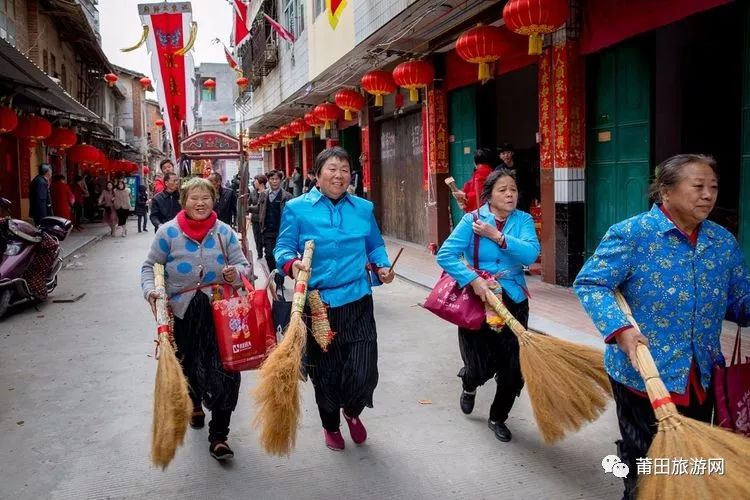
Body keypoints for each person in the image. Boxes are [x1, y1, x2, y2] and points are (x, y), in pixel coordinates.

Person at [573, 154, 750, 499]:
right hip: (644, 374)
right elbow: (591, 283)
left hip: (702, 375)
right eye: (697, 186)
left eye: (712, 187)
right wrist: (620, 330)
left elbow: (740, 302)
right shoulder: (632, 234)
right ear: (665, 192)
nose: (708, 195)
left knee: (686, 463)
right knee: (648, 472)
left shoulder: (722, 241)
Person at [275, 146, 394, 451]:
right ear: (316, 174)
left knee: (364, 370)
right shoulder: (297, 208)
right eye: (332, 168)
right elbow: (283, 249)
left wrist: (382, 266)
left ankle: (352, 411)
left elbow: (375, 246)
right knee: (326, 374)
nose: (339, 175)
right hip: (318, 305)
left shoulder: (363, 209)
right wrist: (292, 264)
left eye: (344, 168)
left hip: (357, 298)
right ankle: (331, 425)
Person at [141, 177, 252, 461]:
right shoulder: (167, 233)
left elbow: (244, 266)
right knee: (189, 367)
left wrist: (236, 274)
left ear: (214, 200)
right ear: (183, 202)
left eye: (206, 197)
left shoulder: (224, 232)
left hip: (221, 313)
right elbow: (148, 268)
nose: (200, 203)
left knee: (226, 371)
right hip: (183, 313)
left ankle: (219, 435)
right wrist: (152, 291)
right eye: (194, 198)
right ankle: (195, 403)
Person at [436, 168, 540, 443]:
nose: (509, 194)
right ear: (489, 195)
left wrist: (498, 236)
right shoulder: (472, 220)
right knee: (479, 366)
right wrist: (473, 280)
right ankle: (469, 383)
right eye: (503, 189)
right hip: (478, 301)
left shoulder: (524, 220)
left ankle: (498, 417)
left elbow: (531, 254)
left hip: (513, 300)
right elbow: (445, 254)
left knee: (513, 369)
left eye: (513, 189)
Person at [256, 170, 292, 291]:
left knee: (280, 257)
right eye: (272, 179)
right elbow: (259, 209)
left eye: (276, 179)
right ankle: (275, 276)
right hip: (267, 231)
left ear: (280, 181)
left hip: (282, 232)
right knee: (269, 256)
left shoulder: (287, 196)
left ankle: (279, 281)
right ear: (268, 181)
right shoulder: (263, 195)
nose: (274, 181)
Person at [450, 148, 497, 213]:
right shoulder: (491, 172)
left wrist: (465, 195)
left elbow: (479, 194)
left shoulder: (480, 173)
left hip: (482, 211)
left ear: (475, 161)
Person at [248, 174, 267, 259]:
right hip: (255, 219)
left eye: (256, 180)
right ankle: (259, 254)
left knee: (265, 237)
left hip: (265, 219)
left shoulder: (267, 192)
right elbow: (248, 204)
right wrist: (247, 215)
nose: (254, 182)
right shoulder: (253, 193)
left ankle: (267, 252)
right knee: (257, 237)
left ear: (261, 182)